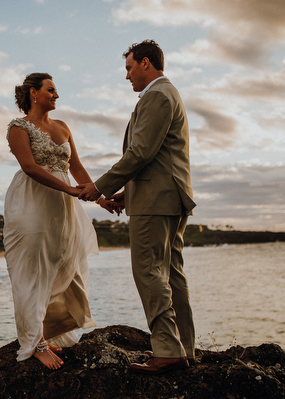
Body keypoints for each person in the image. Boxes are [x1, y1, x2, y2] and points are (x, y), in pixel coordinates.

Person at [78, 40, 197, 375]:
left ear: (146, 63)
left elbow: (141, 152)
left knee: (148, 271)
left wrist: (100, 186)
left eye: (129, 68)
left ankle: (168, 350)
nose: (127, 76)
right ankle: (183, 348)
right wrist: (128, 195)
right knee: (171, 273)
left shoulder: (159, 95)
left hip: (158, 201)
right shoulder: (167, 94)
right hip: (165, 196)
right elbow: (159, 157)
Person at [4, 72, 98, 370]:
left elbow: (77, 168)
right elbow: (29, 167)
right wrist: (69, 188)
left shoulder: (63, 127)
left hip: (63, 209)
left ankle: (50, 331)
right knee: (33, 272)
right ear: (34, 92)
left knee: (63, 266)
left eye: (56, 91)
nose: (56, 95)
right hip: (31, 204)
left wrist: (102, 198)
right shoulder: (18, 128)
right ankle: (36, 344)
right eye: (51, 90)